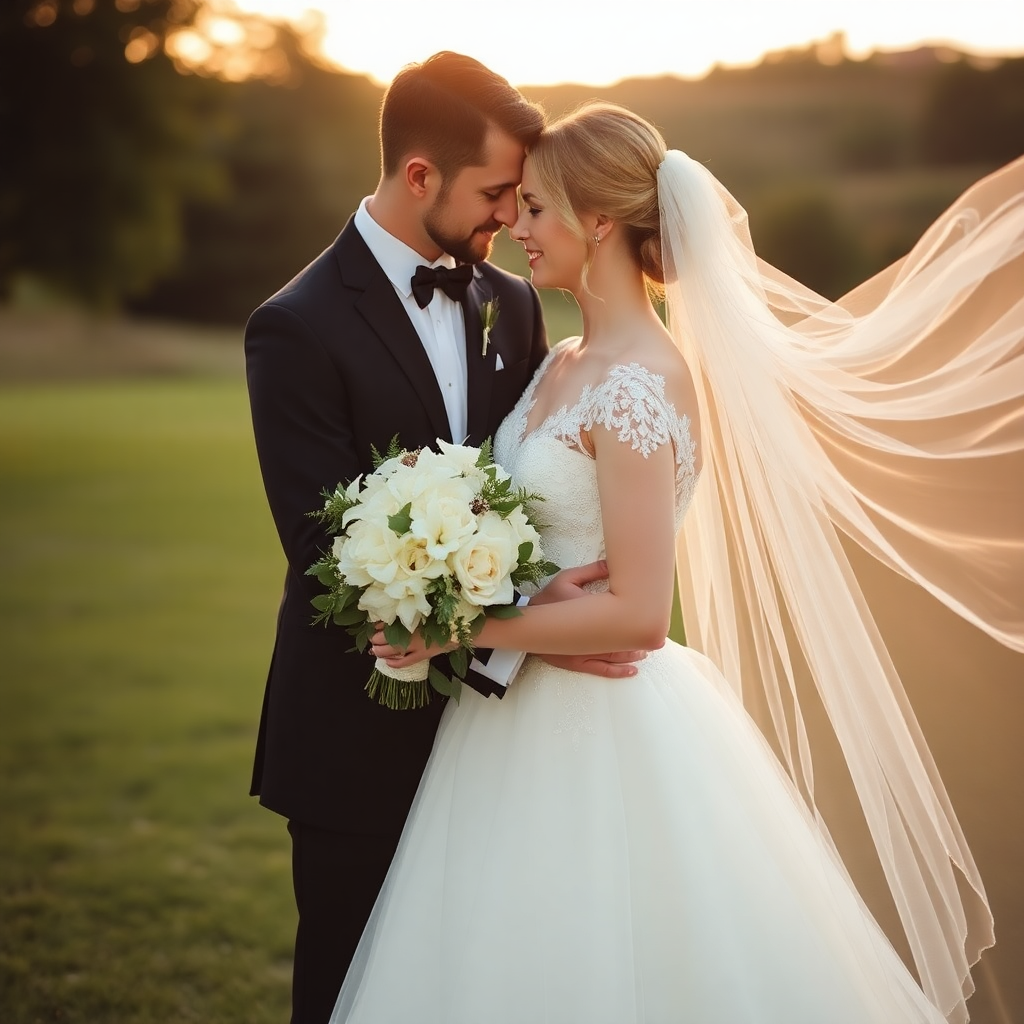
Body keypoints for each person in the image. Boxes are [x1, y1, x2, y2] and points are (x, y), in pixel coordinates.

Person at [334, 103, 1024, 1023]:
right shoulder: (562, 360)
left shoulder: (640, 382)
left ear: (601, 220)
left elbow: (638, 614)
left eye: (537, 209)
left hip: (604, 722)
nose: (517, 228)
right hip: (503, 721)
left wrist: (459, 624)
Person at [245, 56, 645, 1024]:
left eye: (522, 199)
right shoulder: (294, 328)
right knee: (349, 988)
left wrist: (541, 603)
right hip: (355, 728)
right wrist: (515, 608)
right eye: (496, 192)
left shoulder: (509, 305)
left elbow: (534, 494)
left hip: (507, 733)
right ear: (419, 174)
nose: (511, 218)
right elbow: (325, 543)